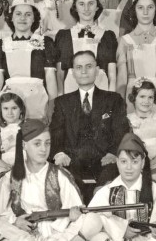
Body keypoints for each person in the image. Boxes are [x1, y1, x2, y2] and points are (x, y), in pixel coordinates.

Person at [0, 119, 88, 241]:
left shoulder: (60, 175)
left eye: (47, 143)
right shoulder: (11, 177)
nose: (44, 149)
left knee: (92, 220)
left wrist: (70, 217)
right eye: (37, 144)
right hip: (23, 234)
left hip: (56, 234)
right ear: (24, 145)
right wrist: (15, 222)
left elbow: (76, 210)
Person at [50, 50, 131, 187]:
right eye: (79, 67)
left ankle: (99, 198)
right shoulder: (62, 102)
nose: (84, 72)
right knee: (68, 182)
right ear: (73, 72)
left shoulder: (113, 99)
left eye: (89, 66)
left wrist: (113, 153)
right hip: (72, 160)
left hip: (105, 160)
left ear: (97, 70)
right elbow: (56, 132)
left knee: (108, 182)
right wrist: (60, 153)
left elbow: (121, 130)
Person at [0, 0, 58, 120]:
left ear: (34, 18)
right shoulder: (0, 44)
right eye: (18, 14)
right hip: (9, 104)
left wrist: (52, 107)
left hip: (38, 102)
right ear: (11, 17)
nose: (22, 18)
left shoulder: (45, 42)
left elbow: (50, 78)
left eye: (28, 15)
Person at [53, 0, 118, 94]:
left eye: (91, 3)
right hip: (71, 92)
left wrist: (112, 100)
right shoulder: (63, 37)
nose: (86, 9)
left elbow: (112, 75)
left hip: (101, 92)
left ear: (97, 7)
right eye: (81, 4)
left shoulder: (108, 36)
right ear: (75, 7)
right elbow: (59, 76)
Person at [127, 79, 156, 184]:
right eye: (142, 96)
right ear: (134, 98)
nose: (146, 101)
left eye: (150, 97)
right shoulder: (127, 120)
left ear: (154, 99)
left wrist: (151, 163)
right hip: (134, 160)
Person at [0, 92, 26, 180]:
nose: (10, 112)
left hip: (26, 164)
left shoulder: (27, 127)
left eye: (14, 108)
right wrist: (7, 166)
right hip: (6, 166)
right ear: (0, 110)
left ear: (21, 109)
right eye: (5, 108)